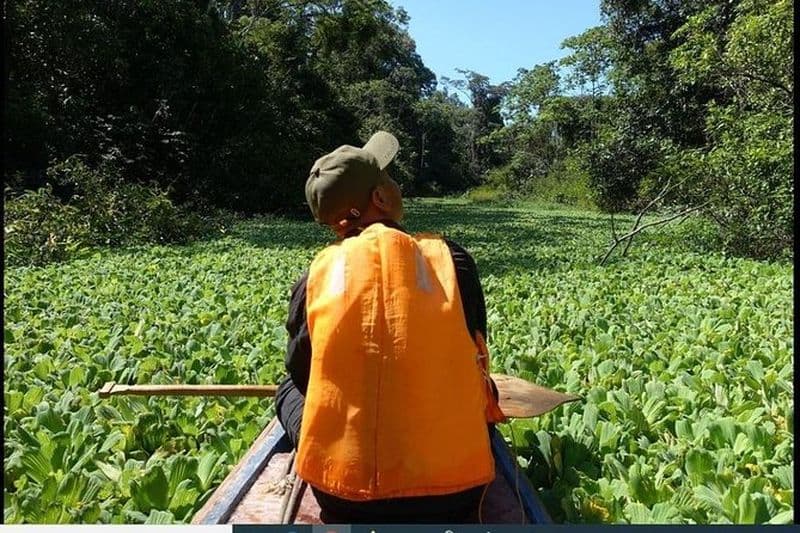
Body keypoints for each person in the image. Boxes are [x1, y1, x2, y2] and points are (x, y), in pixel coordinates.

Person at [275, 131, 505, 524]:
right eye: (389, 178)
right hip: (456, 491)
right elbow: (477, 353)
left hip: (343, 496)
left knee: (287, 388)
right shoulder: (451, 259)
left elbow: (302, 372)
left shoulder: (315, 276)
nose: (397, 185)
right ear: (380, 198)